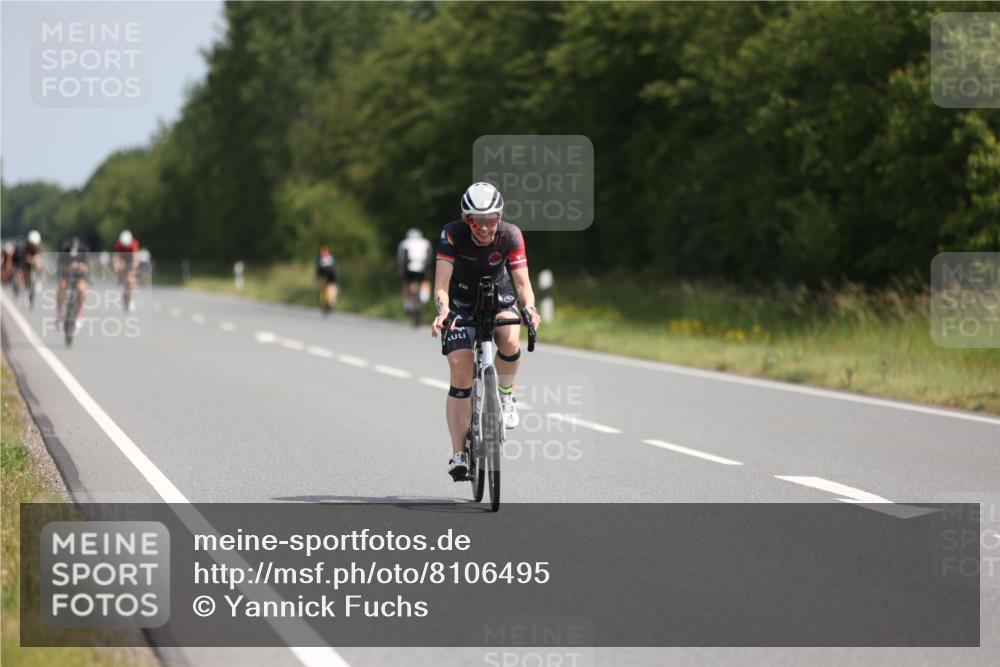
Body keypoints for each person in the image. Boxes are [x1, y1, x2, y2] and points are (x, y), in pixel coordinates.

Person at [430, 182, 542, 480]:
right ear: (466, 219)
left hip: (499, 293)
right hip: (460, 301)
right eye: (476, 221)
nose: (483, 228)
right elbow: (441, 285)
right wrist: (443, 311)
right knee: (460, 370)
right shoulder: (451, 233)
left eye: (490, 220)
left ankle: (505, 395)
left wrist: (529, 307)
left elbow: (522, 283)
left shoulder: (510, 234)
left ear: (500, 216)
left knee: (509, 336)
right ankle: (459, 453)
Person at [397, 227, 432, 321]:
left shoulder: (404, 243)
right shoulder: (426, 242)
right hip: (422, 268)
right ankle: (424, 298)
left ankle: (407, 304)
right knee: (425, 281)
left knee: (406, 283)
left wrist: (400, 270)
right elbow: (429, 257)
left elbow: (401, 259)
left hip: (409, 268)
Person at [56, 236, 90, 331]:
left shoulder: (83, 249)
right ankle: (59, 313)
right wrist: (69, 267)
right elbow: (59, 265)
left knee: (82, 289)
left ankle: (80, 312)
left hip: (79, 275)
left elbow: (87, 266)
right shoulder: (65, 249)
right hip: (66, 274)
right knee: (62, 286)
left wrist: (80, 266)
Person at [112, 230, 140, 311]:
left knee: (131, 281)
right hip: (123, 259)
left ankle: (130, 299)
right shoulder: (119, 245)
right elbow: (116, 257)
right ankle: (120, 280)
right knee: (120, 266)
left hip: (130, 260)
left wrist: (134, 269)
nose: (125, 247)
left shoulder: (134, 244)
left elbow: (135, 257)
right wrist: (116, 267)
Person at [14, 230, 43, 305]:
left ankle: (39, 280)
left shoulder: (38, 247)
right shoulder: (24, 247)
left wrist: (35, 260)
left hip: (32, 262)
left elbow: (39, 257)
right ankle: (24, 292)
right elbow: (22, 259)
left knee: (39, 263)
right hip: (24, 264)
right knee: (21, 274)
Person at [315, 245, 338, 314]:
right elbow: (335, 267)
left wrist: (317, 279)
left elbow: (318, 269)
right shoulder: (331, 257)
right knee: (332, 287)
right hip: (332, 273)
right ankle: (331, 302)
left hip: (324, 272)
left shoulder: (320, 258)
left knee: (324, 287)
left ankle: (325, 301)